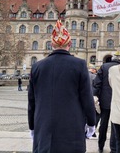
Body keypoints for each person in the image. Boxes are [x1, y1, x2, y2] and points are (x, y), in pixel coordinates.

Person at [28, 20, 96, 153]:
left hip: (43, 125)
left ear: (51, 44)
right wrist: (91, 122)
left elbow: (32, 101)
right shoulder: (79, 64)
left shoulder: (37, 66)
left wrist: (32, 125)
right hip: (72, 126)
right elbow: (87, 97)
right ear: (70, 44)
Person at [93, 51, 120, 153]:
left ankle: (101, 145)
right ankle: (113, 148)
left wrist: (95, 96)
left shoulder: (104, 67)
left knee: (103, 124)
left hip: (105, 100)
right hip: (118, 100)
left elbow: (97, 84)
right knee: (115, 125)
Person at [88, 63, 100, 138]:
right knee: (97, 114)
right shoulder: (94, 77)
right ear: (93, 70)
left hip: (85, 97)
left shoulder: (84, 75)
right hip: (94, 97)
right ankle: (92, 131)